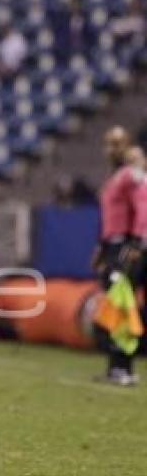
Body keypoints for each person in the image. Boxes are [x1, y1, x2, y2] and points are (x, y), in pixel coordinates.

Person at [94, 129, 143, 386]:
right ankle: (118, 367)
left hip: (126, 244)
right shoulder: (114, 177)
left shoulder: (130, 175)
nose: (112, 148)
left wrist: (137, 241)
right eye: (109, 143)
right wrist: (101, 249)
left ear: (127, 146)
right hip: (113, 245)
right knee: (117, 305)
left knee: (122, 306)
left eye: (117, 143)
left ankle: (122, 368)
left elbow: (144, 204)